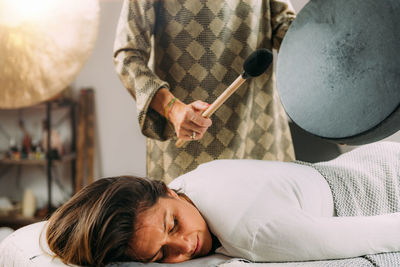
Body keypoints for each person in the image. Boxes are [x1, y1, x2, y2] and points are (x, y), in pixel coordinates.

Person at [46, 141, 400, 266]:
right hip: (372, 159)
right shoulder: (190, 183)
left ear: (165, 189)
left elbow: (384, 234)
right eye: (161, 256)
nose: (185, 246)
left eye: (173, 226)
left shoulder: (255, 232)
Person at [113, 0, 296, 183]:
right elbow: (128, 55)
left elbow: (284, 25)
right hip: (188, 137)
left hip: (260, 130)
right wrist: (172, 109)